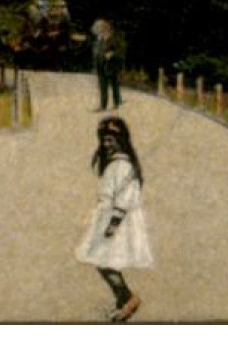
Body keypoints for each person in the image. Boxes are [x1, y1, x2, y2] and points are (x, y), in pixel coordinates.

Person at [75, 116, 152, 322]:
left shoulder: (123, 166)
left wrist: (113, 224)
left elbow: (125, 198)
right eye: (104, 139)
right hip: (107, 217)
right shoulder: (113, 164)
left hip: (118, 222)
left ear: (122, 140)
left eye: (111, 139)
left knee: (104, 262)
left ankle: (128, 298)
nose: (107, 144)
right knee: (104, 262)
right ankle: (122, 300)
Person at [91, 19, 124, 111]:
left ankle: (117, 103)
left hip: (112, 65)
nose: (99, 33)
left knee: (114, 85)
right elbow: (96, 53)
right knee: (102, 86)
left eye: (100, 30)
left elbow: (120, 50)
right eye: (98, 31)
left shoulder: (114, 38)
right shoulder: (99, 40)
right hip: (101, 66)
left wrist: (112, 53)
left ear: (106, 29)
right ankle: (103, 105)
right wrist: (95, 65)